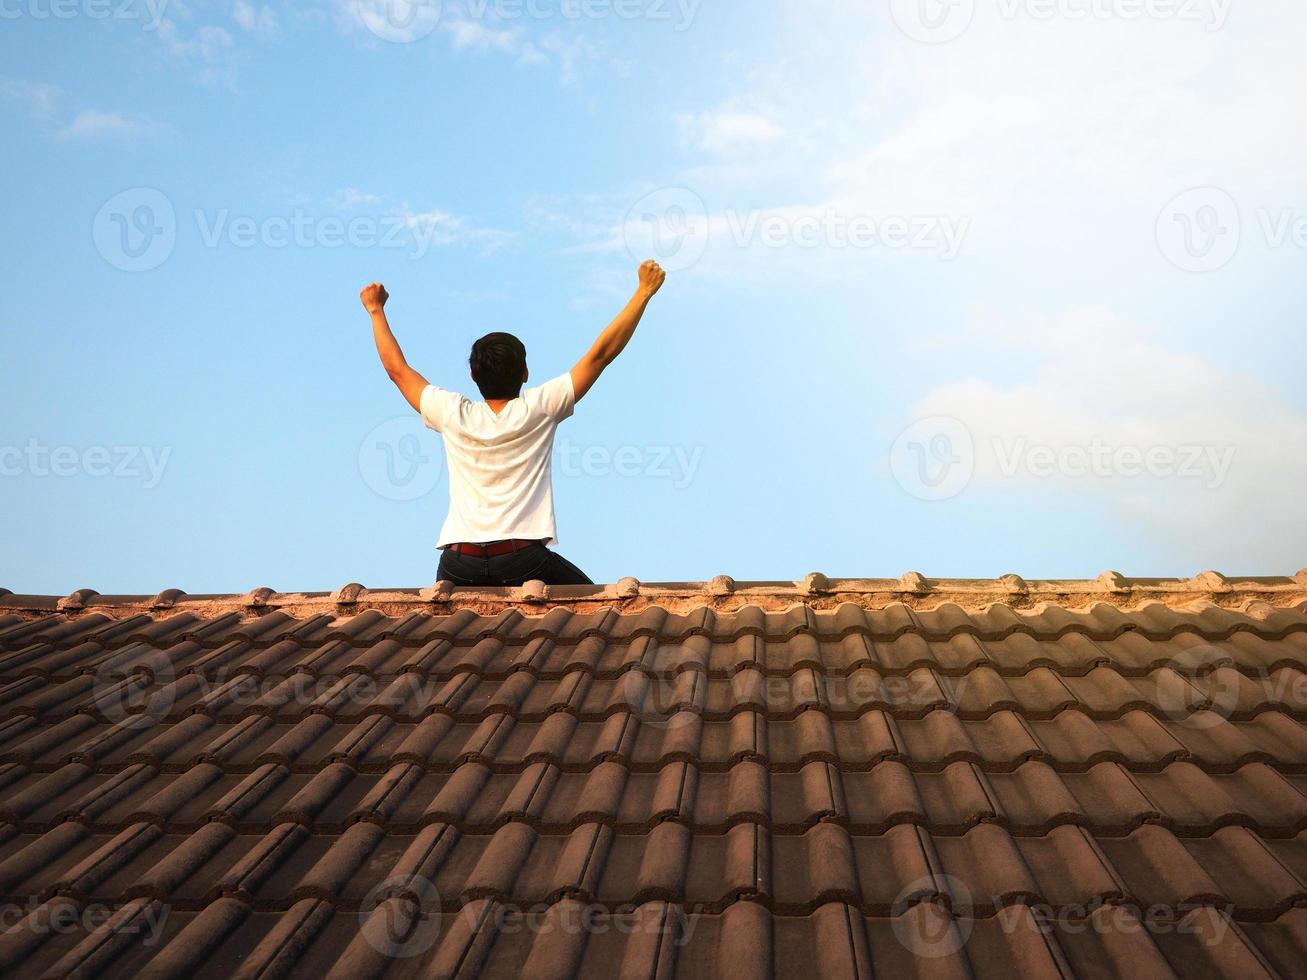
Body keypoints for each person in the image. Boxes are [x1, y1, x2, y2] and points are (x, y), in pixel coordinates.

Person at [361, 259, 666, 586]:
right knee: (594, 607)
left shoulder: (451, 412)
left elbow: (397, 370)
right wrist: (643, 292)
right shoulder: (540, 408)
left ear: (473, 376)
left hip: (458, 563)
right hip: (522, 561)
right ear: (524, 374)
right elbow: (601, 355)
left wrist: (375, 311)